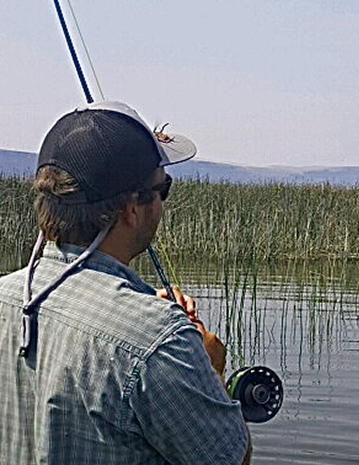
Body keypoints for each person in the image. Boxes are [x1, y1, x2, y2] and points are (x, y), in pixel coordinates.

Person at [0, 101, 251, 464]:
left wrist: (142, 305)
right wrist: (210, 370)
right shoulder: (161, 338)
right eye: (163, 188)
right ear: (132, 208)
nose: (164, 203)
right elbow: (231, 459)